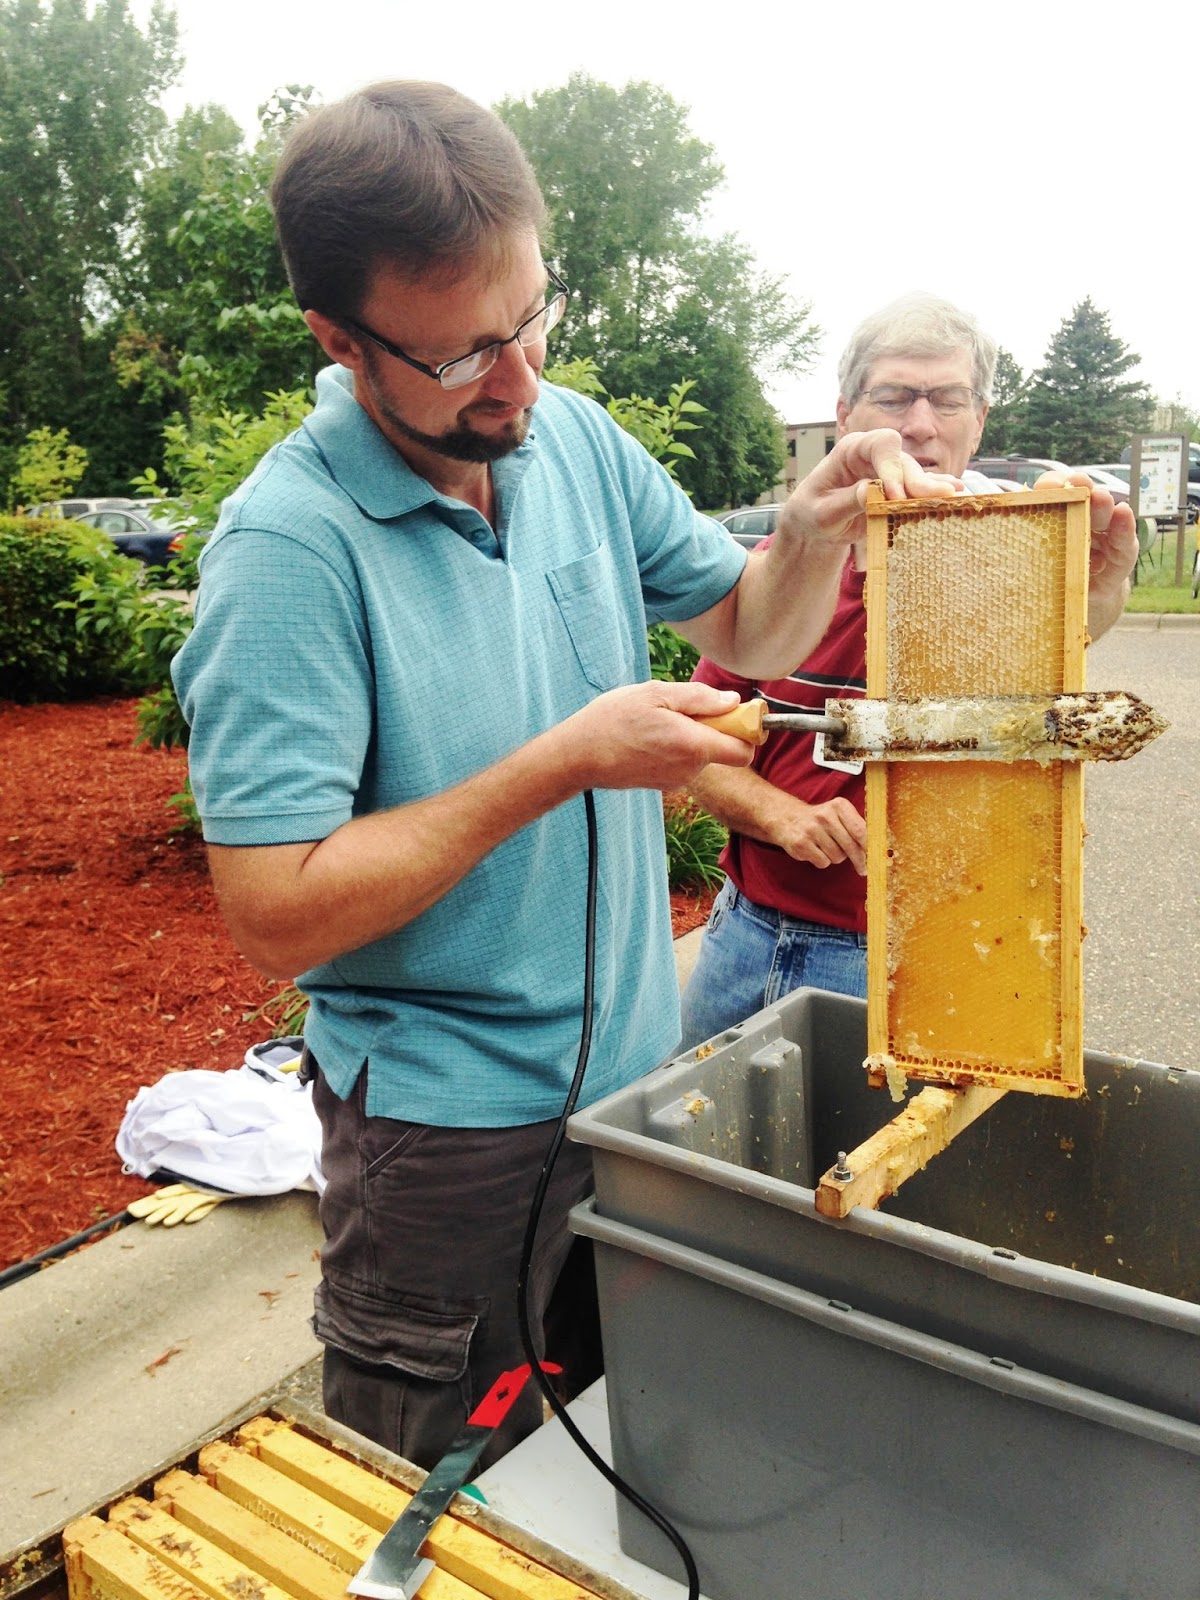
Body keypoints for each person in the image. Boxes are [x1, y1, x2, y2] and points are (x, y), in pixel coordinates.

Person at [171, 85, 958, 1471]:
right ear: (340, 342)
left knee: (604, 1440)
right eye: (465, 354)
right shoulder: (287, 554)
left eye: (533, 319)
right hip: (444, 1145)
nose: (519, 381)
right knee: (443, 1476)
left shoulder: (572, 440)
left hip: (627, 1081)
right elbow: (275, 914)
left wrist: (817, 527)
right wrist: (562, 764)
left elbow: (750, 630)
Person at [678, 292, 1139, 1051]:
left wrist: (1085, 612)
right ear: (847, 414)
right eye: (893, 396)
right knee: (697, 1159)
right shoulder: (778, 576)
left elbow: (1025, 755)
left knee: (869, 1169)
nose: (920, 424)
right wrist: (781, 815)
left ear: (979, 419)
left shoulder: (1016, 576)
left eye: (947, 399)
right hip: (742, 937)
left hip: (907, 960)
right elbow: (697, 739)